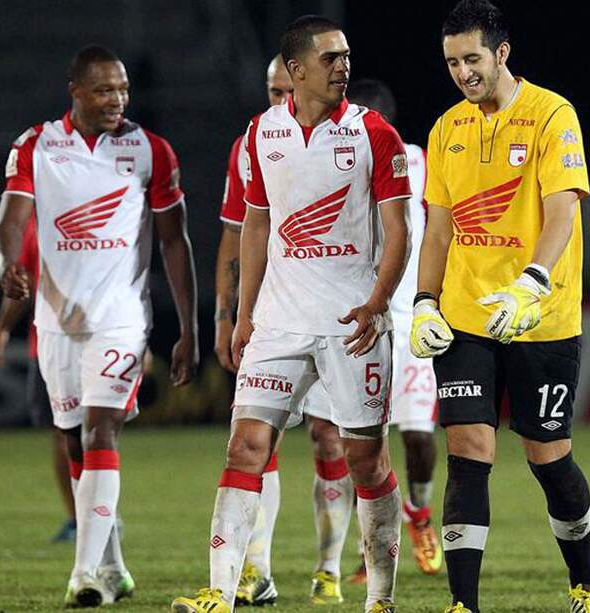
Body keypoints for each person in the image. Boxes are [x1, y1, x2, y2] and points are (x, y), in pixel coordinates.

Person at [172, 15, 409, 613]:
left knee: (364, 457)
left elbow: (398, 231)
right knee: (245, 447)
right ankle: (221, 593)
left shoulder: (373, 133)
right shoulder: (260, 134)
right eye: (331, 57)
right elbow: (255, 226)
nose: (344, 66)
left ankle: (379, 597)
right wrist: (243, 313)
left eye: (347, 55)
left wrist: (377, 304)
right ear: (297, 70)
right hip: (279, 321)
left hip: (351, 324)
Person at [410, 1, 590, 611]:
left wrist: (531, 284)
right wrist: (423, 302)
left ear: (502, 53)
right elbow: (437, 231)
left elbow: (564, 210)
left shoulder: (552, 115)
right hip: (467, 317)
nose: (463, 72)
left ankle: (585, 583)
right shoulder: (447, 129)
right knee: (468, 450)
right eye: (451, 62)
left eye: (472, 59)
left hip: (539, 315)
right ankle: (462, 603)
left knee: (548, 456)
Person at [0, 45, 199, 607]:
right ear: (77, 92)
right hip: (57, 323)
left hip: (121, 319)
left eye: (125, 89)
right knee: (71, 441)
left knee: (100, 429)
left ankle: (83, 574)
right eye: (106, 90)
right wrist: (7, 266)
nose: (119, 100)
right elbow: (10, 221)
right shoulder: (36, 145)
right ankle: (112, 567)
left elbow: (175, 242)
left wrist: (187, 327)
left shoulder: (150, 150)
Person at [215, 54, 354, 606]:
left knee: (329, 437)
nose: (277, 101)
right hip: (274, 317)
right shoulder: (253, 142)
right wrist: (229, 314)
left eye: (283, 90)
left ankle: (329, 566)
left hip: (333, 316)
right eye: (270, 91)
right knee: (255, 440)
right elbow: (237, 231)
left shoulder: (353, 136)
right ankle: (257, 570)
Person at [346, 78, 443, 579]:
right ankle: (374, 548)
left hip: (407, 320)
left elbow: (442, 230)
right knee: (364, 441)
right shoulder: (335, 164)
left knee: (419, 436)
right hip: (359, 319)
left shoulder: (419, 161)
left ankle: (420, 515)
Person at [0, 213, 77, 543]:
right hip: (48, 342)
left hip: (96, 337)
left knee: (97, 430)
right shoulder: (36, 223)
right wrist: (2, 329)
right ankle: (78, 517)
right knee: (62, 433)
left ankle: (98, 513)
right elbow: (20, 281)